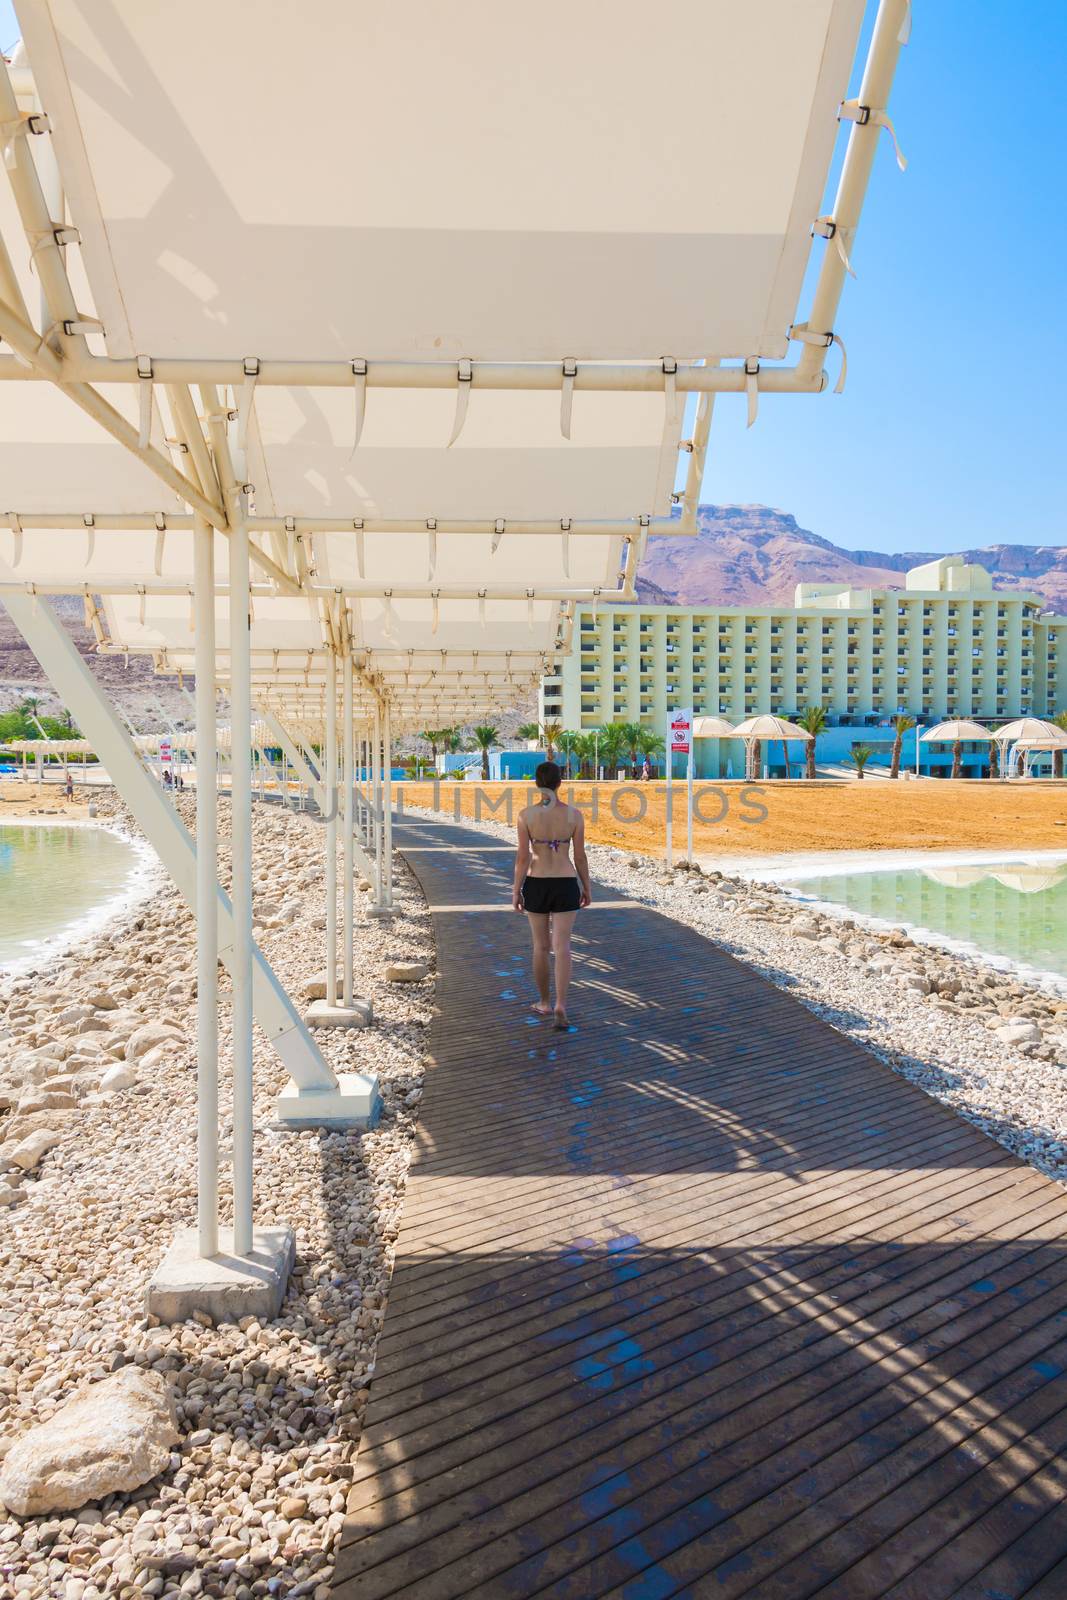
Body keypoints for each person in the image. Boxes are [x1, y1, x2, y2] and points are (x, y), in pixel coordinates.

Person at [513, 760, 591, 1029]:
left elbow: (523, 858)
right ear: (560, 782)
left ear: (537, 783)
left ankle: (544, 1002)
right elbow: (579, 857)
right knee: (563, 946)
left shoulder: (526, 816)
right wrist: (587, 887)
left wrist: (516, 891)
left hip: (537, 882)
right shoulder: (574, 815)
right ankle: (561, 1004)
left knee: (540, 947)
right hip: (566, 882)